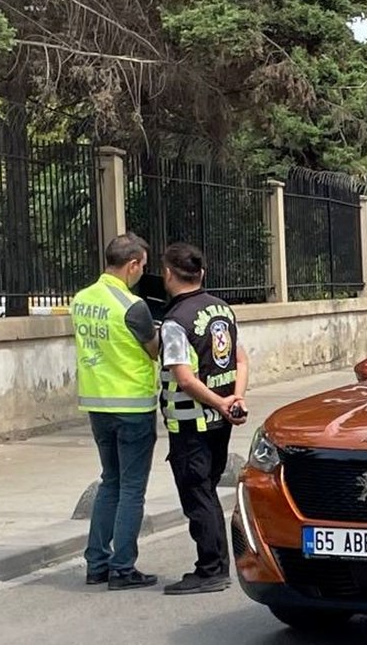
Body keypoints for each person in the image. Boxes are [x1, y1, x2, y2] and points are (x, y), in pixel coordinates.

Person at [157, 242, 250, 596]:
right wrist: (234, 399)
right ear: (202, 274)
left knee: (198, 494)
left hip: (191, 422)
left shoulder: (175, 322)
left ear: (168, 274)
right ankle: (215, 565)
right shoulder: (221, 309)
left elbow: (184, 378)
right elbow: (241, 360)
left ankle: (210, 569)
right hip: (220, 421)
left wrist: (222, 403)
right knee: (208, 491)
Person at [72, 232, 161, 590]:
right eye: (142, 267)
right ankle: (123, 567)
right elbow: (153, 350)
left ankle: (97, 564)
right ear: (133, 264)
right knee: (132, 488)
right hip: (133, 407)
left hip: (97, 404)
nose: (142, 273)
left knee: (110, 480)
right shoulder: (132, 306)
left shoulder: (81, 300)